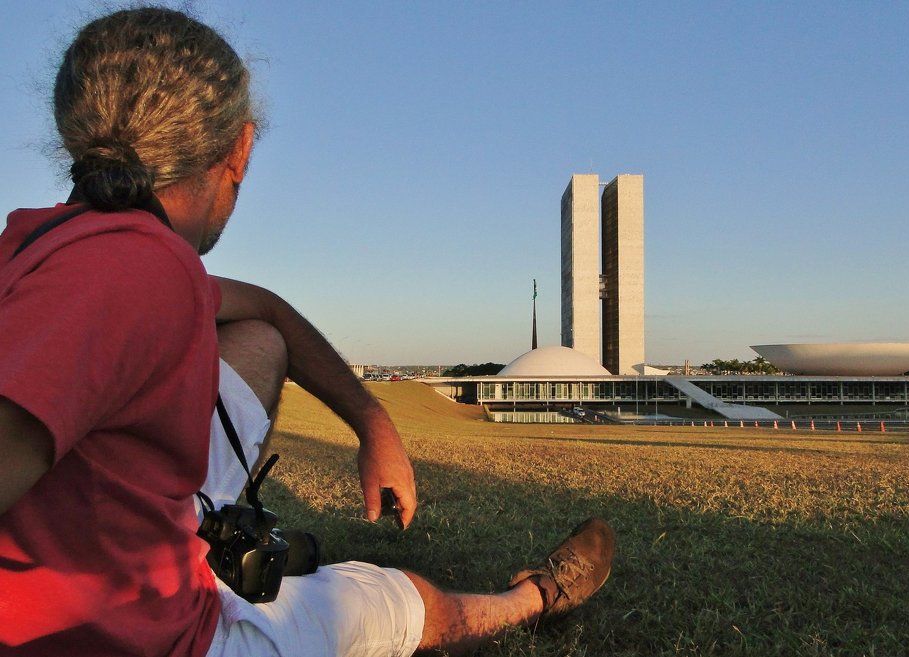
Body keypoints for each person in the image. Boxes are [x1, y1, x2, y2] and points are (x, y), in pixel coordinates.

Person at [0, 8, 614, 657]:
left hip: (92, 547)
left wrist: (370, 420)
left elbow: (268, 309)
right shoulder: (132, 268)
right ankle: (535, 597)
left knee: (258, 340)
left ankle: (201, 531)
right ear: (239, 146)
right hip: (145, 636)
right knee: (393, 600)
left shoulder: (48, 241)